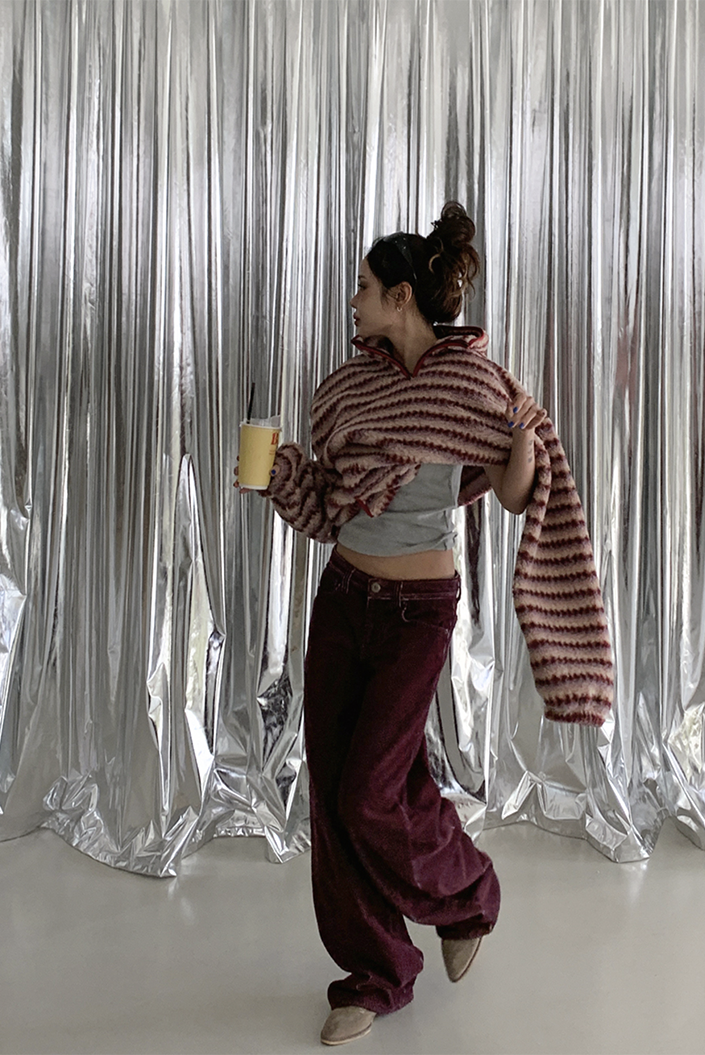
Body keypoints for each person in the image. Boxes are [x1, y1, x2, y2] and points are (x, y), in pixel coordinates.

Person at [238, 202, 549, 1046]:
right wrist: (278, 476)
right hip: (344, 600)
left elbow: (515, 493)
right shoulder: (347, 390)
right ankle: (376, 972)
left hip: (418, 614)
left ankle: (468, 894)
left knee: (370, 792)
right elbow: (329, 506)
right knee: (341, 794)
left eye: (365, 287)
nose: (354, 300)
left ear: (401, 297)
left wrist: (524, 436)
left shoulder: (470, 385)